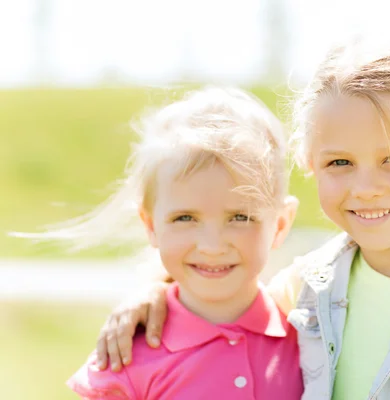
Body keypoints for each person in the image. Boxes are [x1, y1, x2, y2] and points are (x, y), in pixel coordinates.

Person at [92, 37, 390, 399]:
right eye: (340, 163)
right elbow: (219, 297)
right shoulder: (306, 287)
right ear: (310, 163)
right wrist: (153, 294)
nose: (365, 187)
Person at [52, 87, 304, 399]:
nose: (212, 245)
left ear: (279, 224)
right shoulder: (125, 359)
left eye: (240, 217)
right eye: (185, 218)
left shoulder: (311, 340)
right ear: (151, 225)